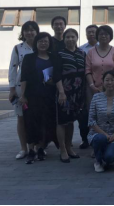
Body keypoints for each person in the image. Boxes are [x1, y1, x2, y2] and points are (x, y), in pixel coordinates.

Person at [20, 32, 60, 165]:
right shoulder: (29, 58)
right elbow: (24, 77)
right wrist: (23, 95)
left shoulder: (53, 58)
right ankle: (31, 149)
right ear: (36, 43)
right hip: (32, 95)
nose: (43, 44)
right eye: (41, 41)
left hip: (48, 95)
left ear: (49, 43)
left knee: (46, 122)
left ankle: (41, 148)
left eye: (46, 41)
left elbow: (58, 77)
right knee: (31, 122)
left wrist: (53, 83)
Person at [9, 21, 39, 160]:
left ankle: (38, 147)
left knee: (37, 118)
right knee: (21, 118)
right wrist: (12, 89)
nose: (30, 32)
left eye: (32, 30)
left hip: (39, 88)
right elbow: (13, 69)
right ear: (23, 33)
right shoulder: (18, 48)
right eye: (27, 30)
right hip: (21, 88)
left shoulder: (42, 46)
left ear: (37, 32)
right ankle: (23, 148)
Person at [55, 29, 86, 163]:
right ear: (64, 39)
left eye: (73, 37)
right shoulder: (59, 54)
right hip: (64, 92)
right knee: (62, 121)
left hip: (77, 93)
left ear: (77, 38)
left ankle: (69, 147)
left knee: (71, 120)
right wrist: (61, 92)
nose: (70, 39)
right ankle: (62, 149)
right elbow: (56, 74)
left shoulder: (82, 53)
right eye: (67, 37)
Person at [88, 71, 114, 173]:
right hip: (97, 133)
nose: (109, 82)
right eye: (107, 80)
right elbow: (91, 121)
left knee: (109, 158)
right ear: (103, 82)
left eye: (112, 80)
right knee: (100, 139)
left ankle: (103, 154)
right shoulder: (96, 97)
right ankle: (98, 161)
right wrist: (105, 134)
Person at [85, 25, 114, 108]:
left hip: (111, 88)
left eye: (106, 34)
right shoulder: (91, 52)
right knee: (93, 111)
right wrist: (92, 86)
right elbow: (87, 70)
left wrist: (107, 85)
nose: (103, 36)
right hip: (93, 89)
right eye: (101, 34)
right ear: (97, 36)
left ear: (110, 36)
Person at [77, 24, 99, 149]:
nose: (91, 34)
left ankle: (98, 136)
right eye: (88, 32)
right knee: (84, 113)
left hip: (100, 85)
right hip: (83, 85)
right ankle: (85, 138)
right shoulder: (80, 49)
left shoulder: (103, 48)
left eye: (93, 32)